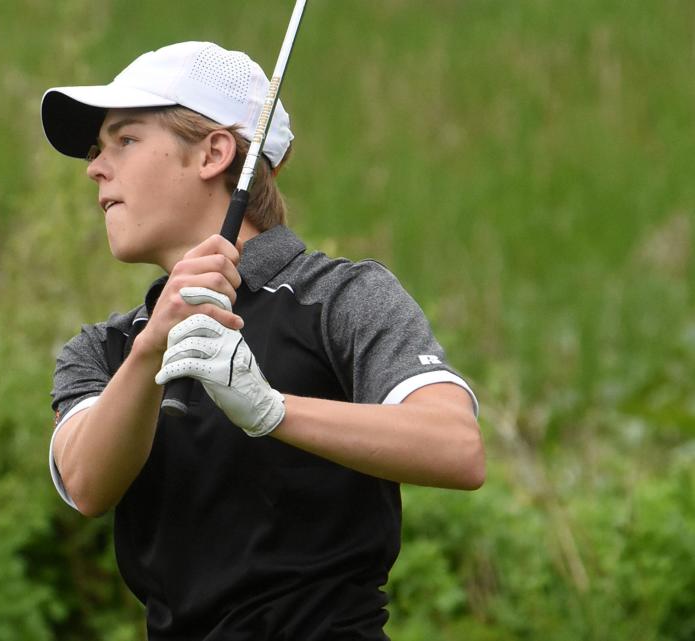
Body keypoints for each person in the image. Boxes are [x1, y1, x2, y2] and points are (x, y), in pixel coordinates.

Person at [41, 41, 484, 641]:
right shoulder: (107, 348)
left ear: (214, 153)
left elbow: (456, 447)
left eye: (125, 140)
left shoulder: (339, 298)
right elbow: (87, 484)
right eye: (96, 149)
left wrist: (274, 411)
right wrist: (152, 350)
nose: (95, 166)